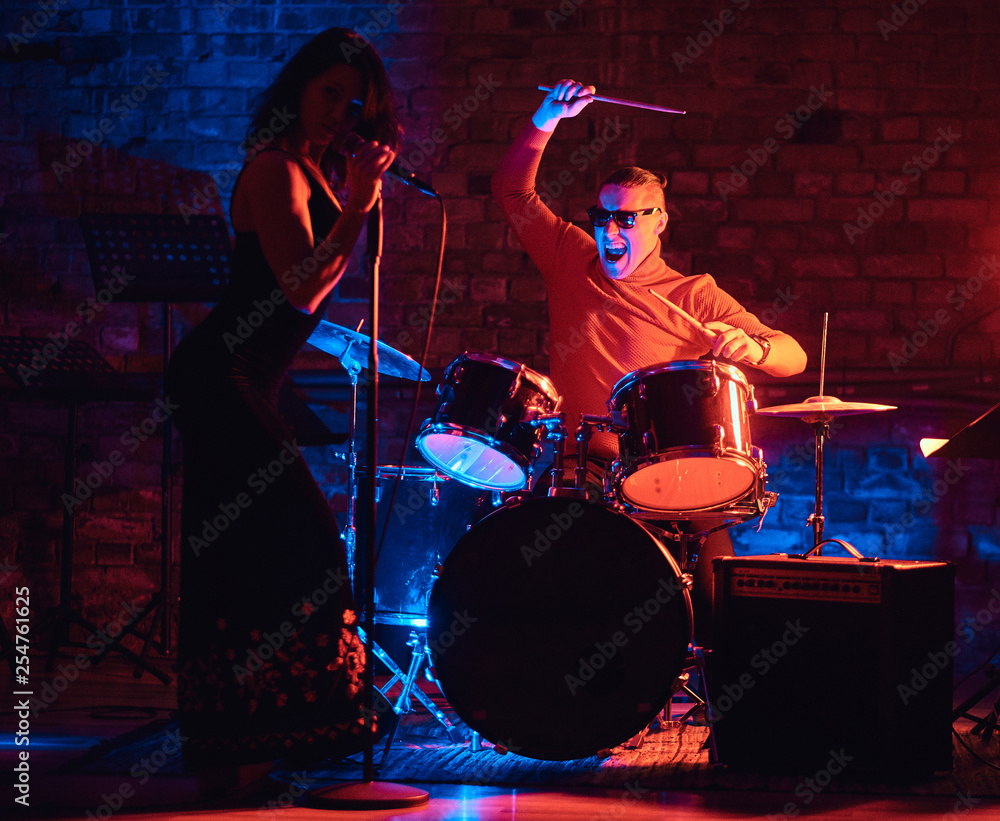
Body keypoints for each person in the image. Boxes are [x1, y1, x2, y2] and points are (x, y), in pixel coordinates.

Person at [165, 27, 400, 795]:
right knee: (301, 549)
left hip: (250, 381)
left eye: (353, 100)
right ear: (298, 87)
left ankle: (246, 750)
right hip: (221, 376)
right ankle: (253, 742)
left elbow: (298, 301)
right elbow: (300, 286)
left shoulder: (311, 172)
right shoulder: (275, 170)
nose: (339, 110)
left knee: (247, 564)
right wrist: (359, 205)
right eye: (328, 92)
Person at [491, 79, 807, 644]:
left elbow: (794, 358)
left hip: (669, 476)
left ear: (660, 222)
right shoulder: (572, 257)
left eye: (627, 219)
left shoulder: (696, 294)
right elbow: (513, 193)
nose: (610, 230)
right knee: (562, 585)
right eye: (602, 215)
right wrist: (545, 118)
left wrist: (754, 348)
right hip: (579, 466)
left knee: (713, 602)